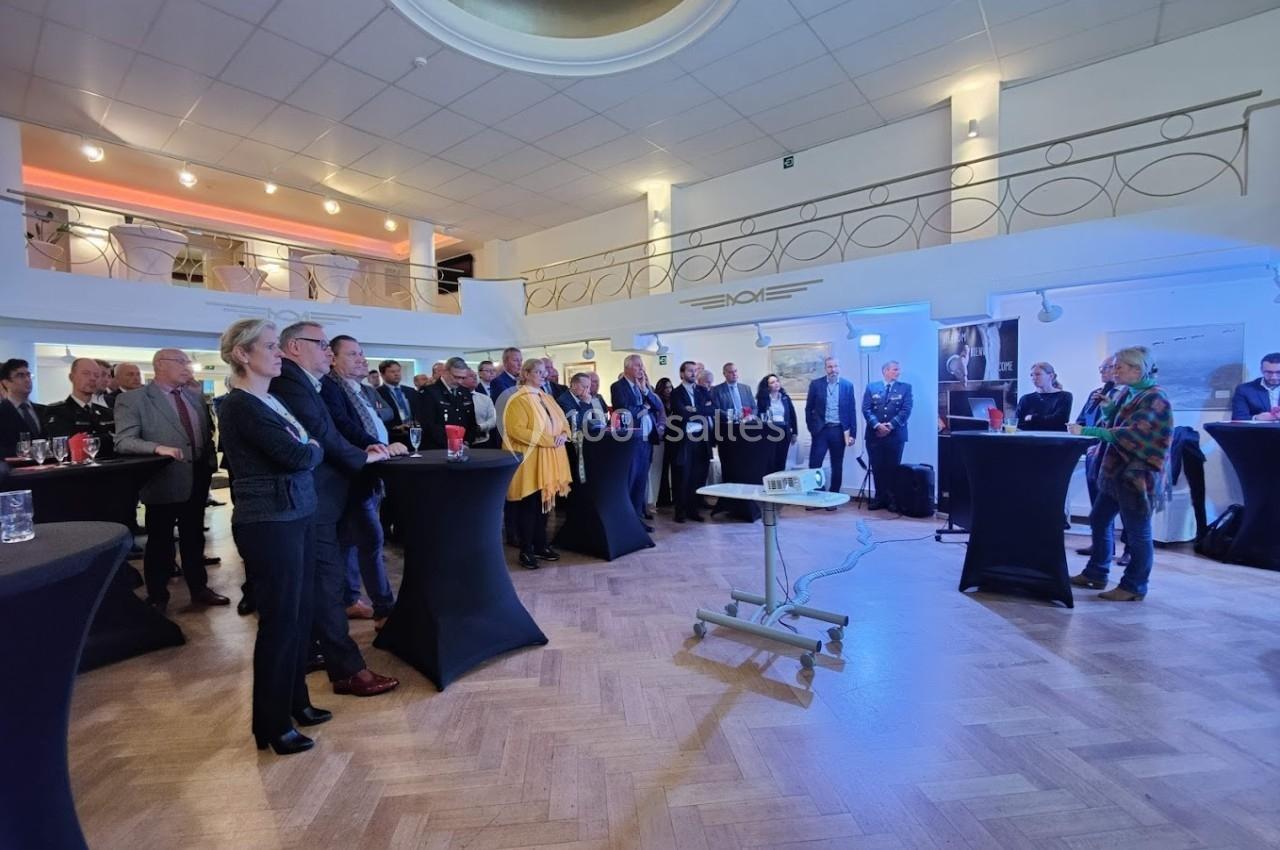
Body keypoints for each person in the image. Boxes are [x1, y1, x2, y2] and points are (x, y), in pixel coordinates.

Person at [217, 319, 328, 756]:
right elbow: (298, 452)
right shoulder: (239, 405)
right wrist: (312, 451)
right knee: (280, 622)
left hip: (295, 512)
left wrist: (311, 450)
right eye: (269, 346)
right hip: (269, 522)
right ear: (243, 355)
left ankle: (296, 700)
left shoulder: (271, 400)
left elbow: (305, 446)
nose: (279, 352)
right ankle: (272, 722)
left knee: (300, 615)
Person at [270, 322, 399, 698]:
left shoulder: (314, 383)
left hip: (328, 494)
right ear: (294, 347)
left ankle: (315, 651)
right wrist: (365, 457)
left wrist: (370, 448)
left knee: (322, 580)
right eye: (323, 345)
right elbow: (320, 435)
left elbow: (339, 428)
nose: (328, 352)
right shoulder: (290, 382)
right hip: (315, 497)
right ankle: (346, 670)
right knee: (324, 583)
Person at [114, 348, 226, 611]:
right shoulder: (134, 400)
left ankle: (199, 589)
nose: (188, 366)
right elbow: (124, 441)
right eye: (182, 362)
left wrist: (209, 463)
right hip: (163, 478)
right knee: (160, 542)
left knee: (194, 537)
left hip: (197, 476)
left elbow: (203, 434)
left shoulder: (194, 397)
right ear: (160, 365)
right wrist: (157, 448)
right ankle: (157, 596)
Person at [1069, 346, 1173, 601]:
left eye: (1119, 367)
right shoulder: (1128, 392)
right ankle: (1096, 573)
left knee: (1138, 531)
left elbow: (1134, 434)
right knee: (1099, 519)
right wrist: (1107, 409)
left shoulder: (1155, 397)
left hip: (1137, 474)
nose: (1114, 371)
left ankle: (1134, 586)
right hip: (1116, 472)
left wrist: (1088, 432)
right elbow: (1117, 424)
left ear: (1137, 369)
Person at [320, 335, 406, 628]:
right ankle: (384, 607)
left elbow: (383, 415)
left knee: (352, 540)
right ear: (333, 358)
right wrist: (377, 445)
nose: (361, 358)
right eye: (353, 354)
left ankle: (350, 599)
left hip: (371, 471)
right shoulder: (330, 387)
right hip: (353, 473)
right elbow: (343, 426)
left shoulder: (362, 389)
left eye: (362, 353)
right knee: (370, 539)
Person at [502, 358, 571, 569]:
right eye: (538, 372)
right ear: (526, 374)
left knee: (544, 506)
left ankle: (541, 545)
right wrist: (550, 440)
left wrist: (563, 435)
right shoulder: (517, 399)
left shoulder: (547, 397)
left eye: (544, 372)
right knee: (529, 507)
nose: (543, 375)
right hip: (530, 459)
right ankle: (526, 549)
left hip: (550, 459)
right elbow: (517, 429)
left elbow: (563, 422)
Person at [1075, 356, 1126, 558]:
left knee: (1124, 508)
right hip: (1093, 453)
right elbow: (1083, 419)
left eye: (1108, 367)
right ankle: (1101, 547)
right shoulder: (1096, 394)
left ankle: (1128, 550)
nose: (1103, 372)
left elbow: (1121, 429)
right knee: (1097, 505)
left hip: (1117, 456)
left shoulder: (1127, 395)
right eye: (1101, 368)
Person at [610, 354, 666, 531]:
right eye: (637, 366)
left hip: (647, 440)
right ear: (627, 367)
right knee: (631, 479)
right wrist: (644, 408)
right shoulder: (618, 386)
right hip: (632, 439)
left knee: (641, 480)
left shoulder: (642, 386)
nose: (641, 369)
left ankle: (637, 518)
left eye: (642, 366)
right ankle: (627, 520)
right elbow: (625, 410)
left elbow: (658, 405)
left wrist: (646, 391)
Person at [804, 356, 856, 507]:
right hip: (821, 431)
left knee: (837, 464)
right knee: (815, 464)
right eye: (830, 367)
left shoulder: (847, 386)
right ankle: (816, 496)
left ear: (839, 367)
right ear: (825, 369)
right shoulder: (816, 384)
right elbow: (809, 408)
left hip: (839, 431)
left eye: (835, 366)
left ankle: (833, 497)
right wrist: (812, 428)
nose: (833, 370)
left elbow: (851, 410)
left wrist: (853, 434)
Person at [861, 361, 913, 511]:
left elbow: (906, 410)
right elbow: (866, 409)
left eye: (898, 370)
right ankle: (879, 498)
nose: (898, 372)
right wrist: (877, 425)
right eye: (895, 370)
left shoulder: (905, 388)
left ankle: (892, 500)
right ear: (885, 371)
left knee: (892, 468)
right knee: (877, 467)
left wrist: (890, 426)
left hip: (895, 435)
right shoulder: (872, 387)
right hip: (874, 435)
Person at [668, 360, 714, 523]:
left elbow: (712, 409)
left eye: (695, 371)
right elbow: (682, 413)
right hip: (684, 440)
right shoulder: (676, 393)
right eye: (690, 371)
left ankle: (693, 509)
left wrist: (694, 410)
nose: (693, 374)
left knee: (697, 475)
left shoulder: (702, 390)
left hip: (701, 438)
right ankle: (680, 511)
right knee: (683, 476)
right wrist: (700, 411)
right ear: (682, 374)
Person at [44, 357, 115, 457]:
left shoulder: (106, 412)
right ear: (71, 377)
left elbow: (117, 443)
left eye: (96, 375)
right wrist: (106, 438)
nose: (92, 378)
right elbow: (64, 447)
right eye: (86, 373)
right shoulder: (57, 410)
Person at [418, 356, 479, 449]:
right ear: (445, 372)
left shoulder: (464, 392)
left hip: (463, 447)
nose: (459, 381)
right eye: (456, 377)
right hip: (438, 449)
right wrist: (452, 444)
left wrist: (466, 442)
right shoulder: (429, 392)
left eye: (463, 378)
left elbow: (471, 422)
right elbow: (429, 425)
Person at [0, 358, 45, 457]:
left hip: (48, 468)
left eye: (28, 375)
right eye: (20, 375)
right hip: (15, 469)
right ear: (6, 382)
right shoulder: (2, 412)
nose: (27, 380)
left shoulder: (44, 411)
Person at [756, 373, 798, 476]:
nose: (776, 384)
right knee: (770, 461)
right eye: (772, 382)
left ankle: (779, 482)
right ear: (767, 386)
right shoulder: (763, 399)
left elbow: (792, 415)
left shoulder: (785, 398)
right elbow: (759, 416)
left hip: (784, 432)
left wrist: (795, 433)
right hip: (769, 432)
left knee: (781, 459)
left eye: (777, 381)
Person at [1015, 362, 1072, 431]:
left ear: (1051, 376)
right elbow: (1018, 423)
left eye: (1038, 374)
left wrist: (1032, 418)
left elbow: (1060, 420)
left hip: (1055, 439)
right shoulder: (1025, 399)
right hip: (1029, 439)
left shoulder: (1065, 396)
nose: (1034, 378)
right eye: (1031, 375)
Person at [376, 359, 418, 448]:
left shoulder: (411, 391)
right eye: (392, 371)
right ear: (382, 374)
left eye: (398, 371)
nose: (397, 374)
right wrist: (394, 427)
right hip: (393, 436)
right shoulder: (377, 393)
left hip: (412, 433)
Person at [1230, 352, 1280, 421]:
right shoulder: (1244, 390)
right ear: (1261, 370)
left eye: (1278, 372)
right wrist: (1256, 418)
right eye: (1269, 372)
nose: (1274, 377)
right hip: (1258, 431)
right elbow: (1237, 418)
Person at [462, 368, 498, 447]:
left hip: (483, 442)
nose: (475, 378)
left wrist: (480, 427)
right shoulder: (456, 398)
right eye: (471, 376)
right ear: (462, 379)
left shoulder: (485, 398)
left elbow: (493, 419)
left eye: (476, 376)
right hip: (462, 443)